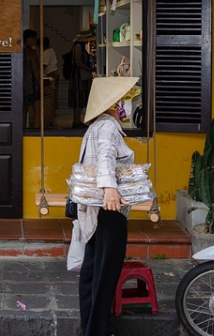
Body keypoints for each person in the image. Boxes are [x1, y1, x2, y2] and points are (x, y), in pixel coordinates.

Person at [70, 76, 140, 336]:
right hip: (109, 208)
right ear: (113, 104)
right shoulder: (109, 127)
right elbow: (106, 158)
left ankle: (91, 328)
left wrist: (120, 71)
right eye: (121, 100)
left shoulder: (97, 126)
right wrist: (110, 188)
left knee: (92, 272)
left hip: (95, 208)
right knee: (105, 274)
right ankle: (98, 330)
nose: (124, 104)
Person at [69, 29, 96, 128]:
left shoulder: (80, 46)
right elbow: (78, 62)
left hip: (80, 76)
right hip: (78, 76)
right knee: (78, 99)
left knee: (79, 99)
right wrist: (89, 69)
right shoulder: (78, 47)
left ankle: (77, 121)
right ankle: (76, 121)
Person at [22, 29, 41, 128]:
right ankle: (36, 133)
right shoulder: (31, 53)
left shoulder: (20, 51)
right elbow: (35, 71)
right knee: (37, 110)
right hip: (32, 85)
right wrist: (41, 85)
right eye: (34, 38)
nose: (35, 41)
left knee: (23, 111)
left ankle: (22, 131)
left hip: (22, 85)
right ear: (28, 38)